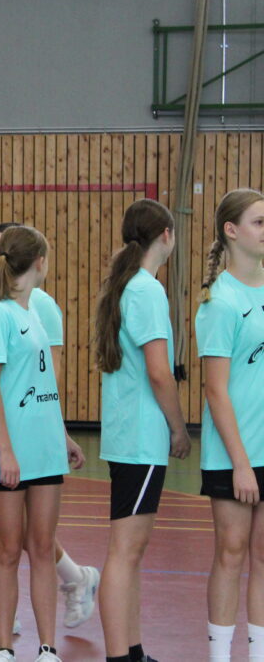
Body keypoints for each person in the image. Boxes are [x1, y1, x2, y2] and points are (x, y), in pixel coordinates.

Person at [0, 223, 97, 640]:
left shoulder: (41, 306)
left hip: (20, 432)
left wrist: (58, 431)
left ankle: (73, 577)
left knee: (22, 532)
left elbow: (47, 375)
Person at [94, 198, 191, 662]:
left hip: (127, 434)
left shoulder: (129, 285)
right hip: (141, 436)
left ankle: (132, 651)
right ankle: (119, 655)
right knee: (125, 551)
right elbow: (159, 372)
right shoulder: (147, 290)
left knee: (131, 551)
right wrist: (179, 428)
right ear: (166, 236)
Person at [195, 189, 264, 662]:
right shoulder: (219, 302)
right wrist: (241, 463)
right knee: (231, 552)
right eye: (259, 222)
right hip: (235, 453)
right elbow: (215, 390)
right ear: (231, 231)